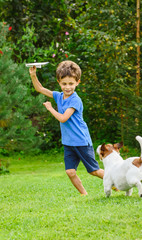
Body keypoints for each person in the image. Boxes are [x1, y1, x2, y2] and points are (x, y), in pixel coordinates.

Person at [29, 60, 105, 196]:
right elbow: (40, 89)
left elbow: (63, 118)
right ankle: (84, 194)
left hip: (81, 141)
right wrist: (33, 75)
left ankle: (116, 182)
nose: (67, 87)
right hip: (69, 143)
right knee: (70, 171)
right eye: (64, 84)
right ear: (59, 82)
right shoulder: (59, 96)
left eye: (71, 84)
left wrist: (50, 108)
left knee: (94, 171)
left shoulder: (76, 100)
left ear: (77, 82)